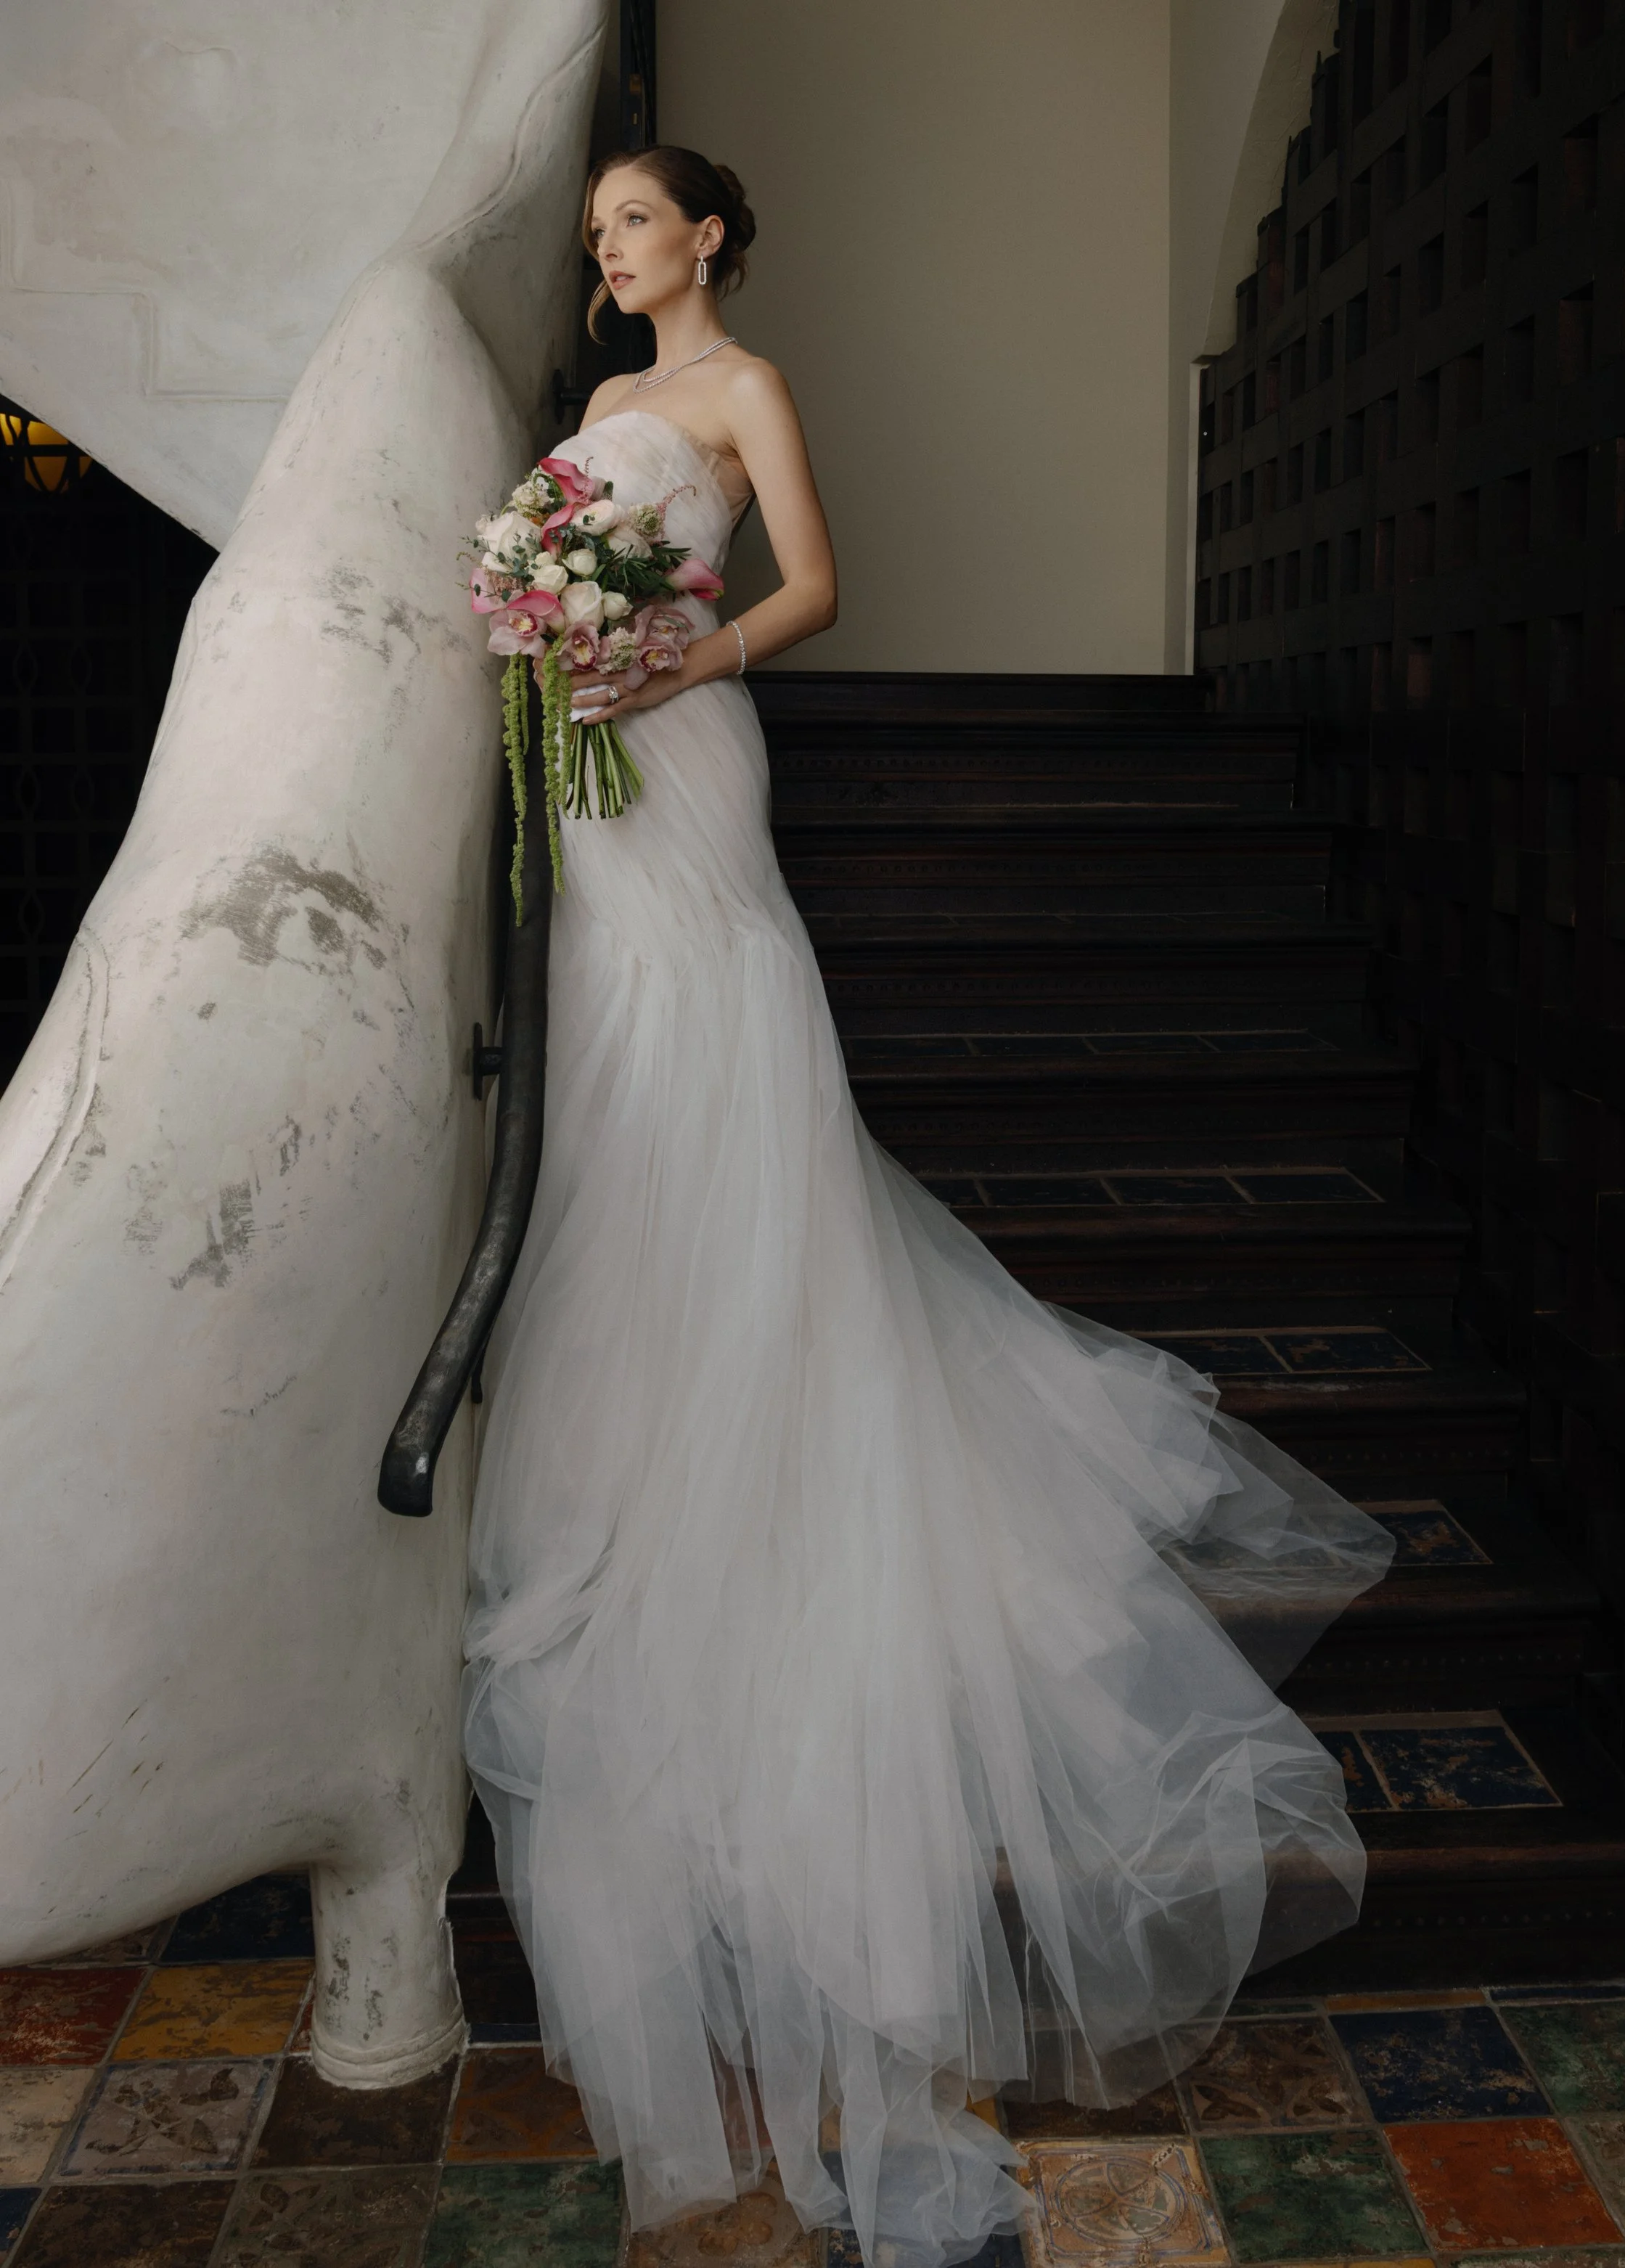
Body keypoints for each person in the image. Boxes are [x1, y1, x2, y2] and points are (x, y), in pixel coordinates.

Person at [461, 144, 1392, 2268]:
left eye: (636, 224)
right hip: (593, 788)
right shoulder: (582, 424)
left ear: (708, 238)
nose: (611, 253)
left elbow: (810, 589)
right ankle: (649, 1388)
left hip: (686, 765)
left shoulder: (739, 388)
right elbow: (552, 583)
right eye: (596, 232)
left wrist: (672, 666)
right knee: (610, 1086)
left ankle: (760, 1369)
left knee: (721, 1053)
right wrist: (545, 648)